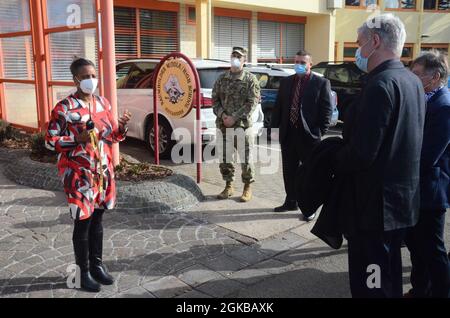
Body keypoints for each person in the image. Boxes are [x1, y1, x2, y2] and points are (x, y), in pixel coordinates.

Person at [334, 14, 425, 297]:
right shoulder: (412, 81)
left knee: (372, 283)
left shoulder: (380, 85)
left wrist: (330, 156)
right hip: (399, 205)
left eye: (359, 44)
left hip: (373, 210)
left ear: (374, 42)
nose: (358, 52)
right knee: (387, 276)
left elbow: (362, 154)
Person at [45, 58, 131, 292]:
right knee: (82, 222)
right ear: (76, 80)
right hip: (78, 173)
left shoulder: (102, 103)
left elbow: (111, 135)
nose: (91, 80)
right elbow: (50, 141)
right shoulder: (64, 107)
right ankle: (82, 272)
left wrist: (121, 128)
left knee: (98, 219)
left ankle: (97, 266)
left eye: (93, 75)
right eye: (86, 77)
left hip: (102, 172)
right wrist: (76, 139)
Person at [405, 50, 450, 298]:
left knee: (432, 248)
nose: (412, 79)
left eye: (417, 74)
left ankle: (441, 292)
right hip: (417, 188)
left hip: (431, 191)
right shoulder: (425, 99)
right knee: (415, 243)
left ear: (434, 77)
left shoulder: (443, 106)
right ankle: (420, 289)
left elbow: (429, 154)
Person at [271, 50, 333, 220]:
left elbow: (326, 111)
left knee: (310, 173)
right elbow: (278, 108)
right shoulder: (286, 82)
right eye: (296, 61)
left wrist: (319, 132)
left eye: (302, 62)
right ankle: (291, 201)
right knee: (289, 171)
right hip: (288, 134)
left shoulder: (321, 83)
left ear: (310, 64)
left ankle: (309, 207)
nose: (298, 65)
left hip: (309, 136)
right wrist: (274, 130)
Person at [212, 47, 261, 202]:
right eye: (233, 55)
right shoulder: (221, 79)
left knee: (246, 158)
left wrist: (234, 117)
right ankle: (229, 186)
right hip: (223, 125)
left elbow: (252, 103)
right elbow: (214, 100)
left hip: (242, 126)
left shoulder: (250, 79)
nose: (235, 58)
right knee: (225, 157)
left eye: (239, 56)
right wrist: (223, 115)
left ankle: (247, 187)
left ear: (244, 60)